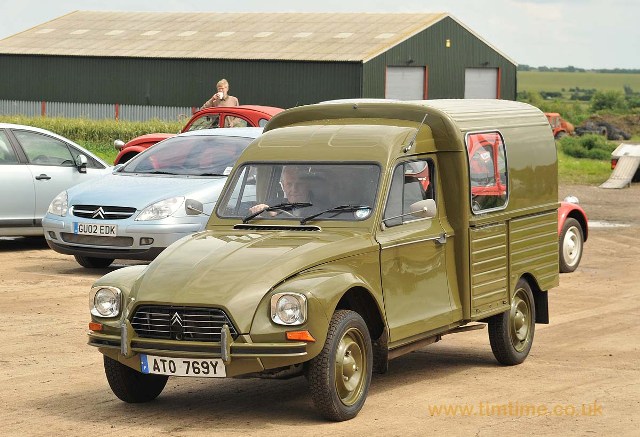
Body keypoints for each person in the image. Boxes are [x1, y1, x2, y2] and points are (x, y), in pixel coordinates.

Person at [248, 166, 321, 216]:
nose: (294, 189)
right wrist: (259, 209)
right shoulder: (273, 204)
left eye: (299, 184)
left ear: (308, 185)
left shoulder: (322, 209)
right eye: (289, 184)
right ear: (283, 186)